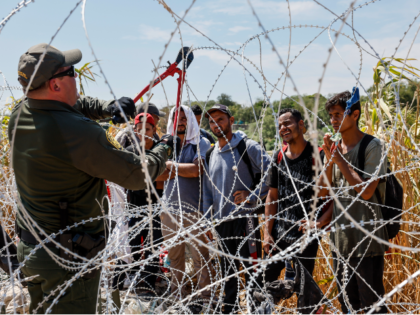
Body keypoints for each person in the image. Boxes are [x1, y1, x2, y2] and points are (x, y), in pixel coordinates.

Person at [9, 43, 174, 315]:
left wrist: (108, 108)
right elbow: (135, 175)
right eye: (72, 72)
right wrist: (164, 145)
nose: (77, 77)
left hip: (32, 249)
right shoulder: (77, 132)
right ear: (55, 85)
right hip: (66, 258)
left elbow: (73, 106)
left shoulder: (21, 113)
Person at [322, 89, 388, 314]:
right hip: (340, 241)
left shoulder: (372, 146)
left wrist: (339, 160)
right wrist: (329, 159)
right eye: (331, 116)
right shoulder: (334, 149)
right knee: (348, 305)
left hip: (366, 240)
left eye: (338, 115)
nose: (333, 120)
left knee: (372, 306)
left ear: (355, 115)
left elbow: (368, 191)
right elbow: (324, 191)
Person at [202, 104, 270, 315]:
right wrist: (206, 220)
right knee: (227, 274)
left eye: (220, 119)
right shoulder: (212, 153)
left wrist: (251, 196)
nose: (216, 124)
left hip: (245, 221)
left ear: (231, 121)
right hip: (222, 223)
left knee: (253, 272)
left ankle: (257, 311)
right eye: (212, 121)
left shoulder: (247, 147)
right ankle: (229, 310)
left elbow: (271, 171)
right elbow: (208, 190)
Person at [262, 108, 332, 282]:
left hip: (305, 236)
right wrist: (267, 233)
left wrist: (318, 223)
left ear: (301, 125)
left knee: (304, 289)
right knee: (263, 283)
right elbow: (272, 196)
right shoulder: (278, 157)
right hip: (279, 234)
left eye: (287, 123)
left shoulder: (318, 155)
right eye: (279, 126)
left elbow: (326, 192)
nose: (282, 128)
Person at [157, 105, 212, 310]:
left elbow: (197, 170)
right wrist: (178, 168)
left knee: (201, 259)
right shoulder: (166, 143)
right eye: (176, 118)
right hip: (170, 210)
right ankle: (178, 298)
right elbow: (157, 176)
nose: (180, 122)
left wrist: (170, 166)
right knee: (175, 258)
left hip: (194, 210)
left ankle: (206, 299)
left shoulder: (201, 142)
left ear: (190, 120)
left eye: (184, 118)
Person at [124, 113, 165, 297]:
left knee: (153, 244)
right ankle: (135, 274)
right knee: (133, 241)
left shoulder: (160, 150)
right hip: (134, 204)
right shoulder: (131, 150)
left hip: (156, 205)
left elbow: (163, 177)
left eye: (147, 130)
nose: (143, 133)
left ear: (154, 130)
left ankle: (149, 281)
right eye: (139, 130)